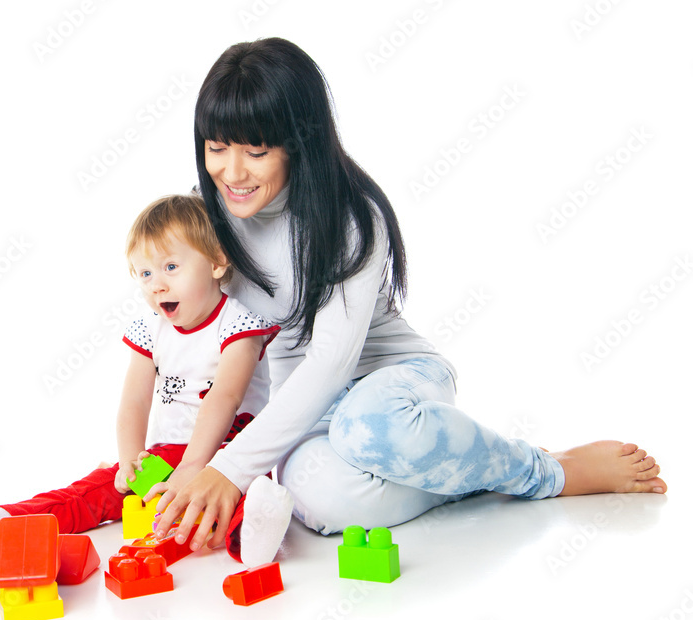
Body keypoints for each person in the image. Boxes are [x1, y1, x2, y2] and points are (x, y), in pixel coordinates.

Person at [152, 37, 667, 555]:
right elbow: (197, 335)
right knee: (320, 502)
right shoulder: (203, 217)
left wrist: (231, 468)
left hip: (395, 388)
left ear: (297, 143)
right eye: (216, 148)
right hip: (307, 413)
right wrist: (197, 464)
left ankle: (544, 470)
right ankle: (467, 468)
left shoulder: (350, 218)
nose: (232, 173)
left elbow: (332, 361)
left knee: (369, 425)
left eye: (256, 151)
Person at [0, 194, 288, 563]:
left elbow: (224, 398)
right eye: (145, 274)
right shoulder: (152, 329)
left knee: (239, 494)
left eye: (170, 267)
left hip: (226, 455)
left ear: (216, 262)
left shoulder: (239, 326)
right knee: (94, 490)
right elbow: (134, 401)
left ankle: (254, 537)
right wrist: (130, 460)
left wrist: (194, 466)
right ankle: (5, 521)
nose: (156, 285)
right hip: (167, 456)